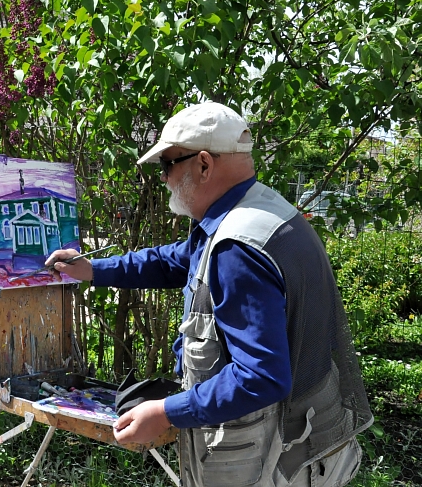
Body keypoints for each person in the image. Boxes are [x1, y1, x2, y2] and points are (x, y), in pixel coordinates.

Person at [46, 102, 372, 487]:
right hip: (309, 432)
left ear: (203, 164)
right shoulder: (260, 210)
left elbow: (261, 377)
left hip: (270, 456)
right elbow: (177, 260)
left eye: (167, 165)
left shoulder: (239, 249)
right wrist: (94, 270)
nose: (164, 178)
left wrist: (167, 412)